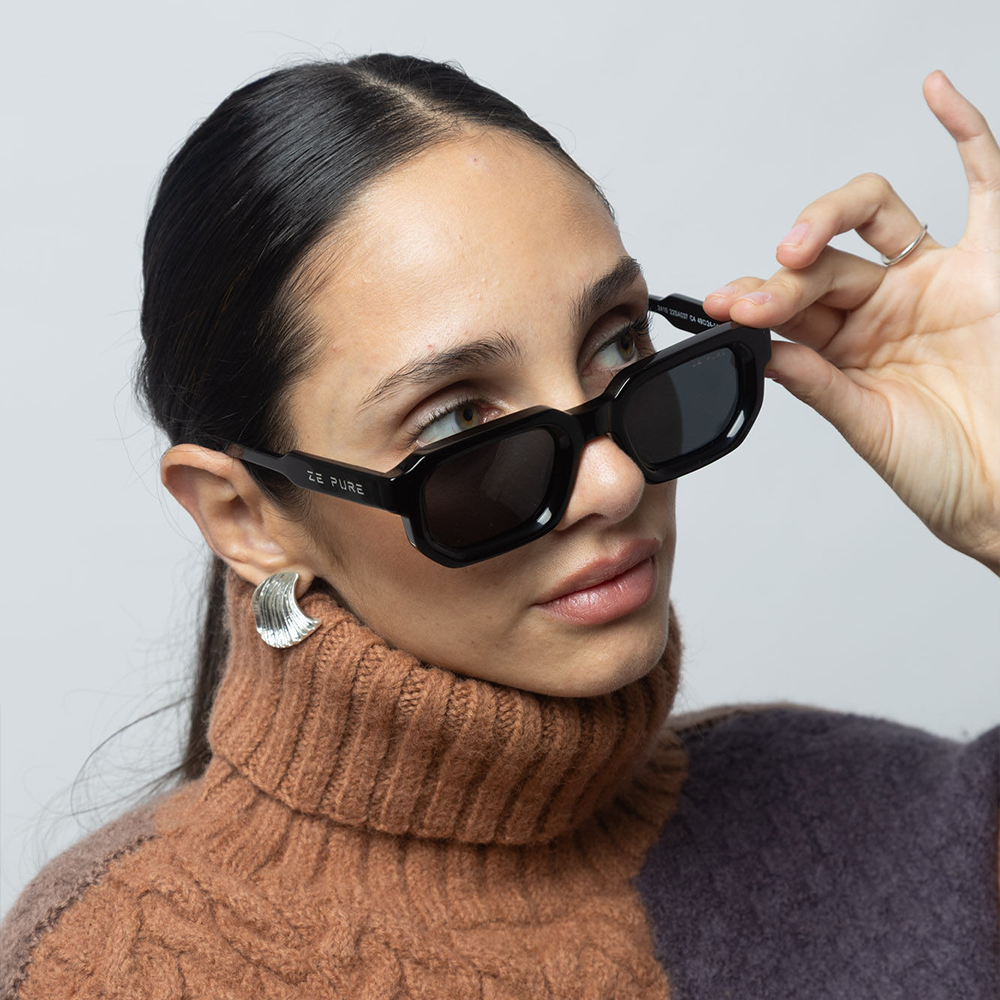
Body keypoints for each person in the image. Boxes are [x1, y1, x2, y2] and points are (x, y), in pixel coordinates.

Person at [0, 54, 996, 999]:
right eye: (458, 418)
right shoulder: (117, 965)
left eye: (616, 344)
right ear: (246, 514)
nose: (611, 478)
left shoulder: (882, 817)